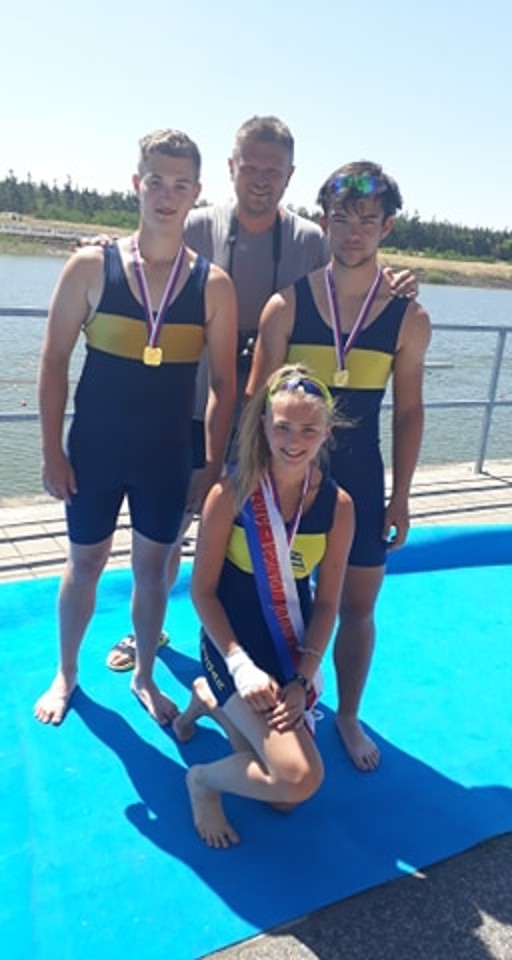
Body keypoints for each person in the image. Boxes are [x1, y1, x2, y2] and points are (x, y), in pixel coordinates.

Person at [107, 116, 417, 672]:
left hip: (277, 421)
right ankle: (146, 632)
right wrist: (100, 247)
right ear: (231, 167)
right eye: (249, 166)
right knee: (170, 537)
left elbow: (356, 260)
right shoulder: (194, 224)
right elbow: (139, 246)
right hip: (194, 406)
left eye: (272, 170)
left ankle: (270, 668)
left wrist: (397, 282)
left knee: (260, 553)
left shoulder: (311, 239)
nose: (260, 178)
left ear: (290, 175)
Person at [34, 128, 237, 726]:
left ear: (196, 193)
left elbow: (225, 386)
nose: (166, 196)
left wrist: (209, 465)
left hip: (167, 456)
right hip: (94, 452)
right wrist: (51, 451)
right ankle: (67, 672)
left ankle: (145, 675)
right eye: (156, 182)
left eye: (180, 185)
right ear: (136, 185)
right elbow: (53, 362)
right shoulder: (90, 267)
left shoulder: (213, 285)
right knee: (85, 564)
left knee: (152, 573)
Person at [245, 160, 432, 772]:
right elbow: (255, 404)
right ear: (324, 222)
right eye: (342, 219)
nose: (354, 233)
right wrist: (240, 482)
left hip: (362, 481)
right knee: (271, 598)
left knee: (356, 609)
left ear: (387, 227)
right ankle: (264, 701)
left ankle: (347, 716)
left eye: (367, 221)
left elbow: (409, 412)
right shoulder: (286, 307)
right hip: (284, 482)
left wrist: (400, 497)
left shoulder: (409, 317)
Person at [173, 364, 354, 847]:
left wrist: (302, 678)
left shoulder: (338, 507)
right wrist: (240, 666)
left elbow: (328, 602)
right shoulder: (229, 494)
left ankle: (210, 703)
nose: (294, 441)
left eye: (309, 429)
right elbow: (202, 592)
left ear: (327, 432)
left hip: (291, 650)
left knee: (285, 797)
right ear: (264, 426)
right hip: (231, 648)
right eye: (283, 427)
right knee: (298, 779)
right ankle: (202, 781)